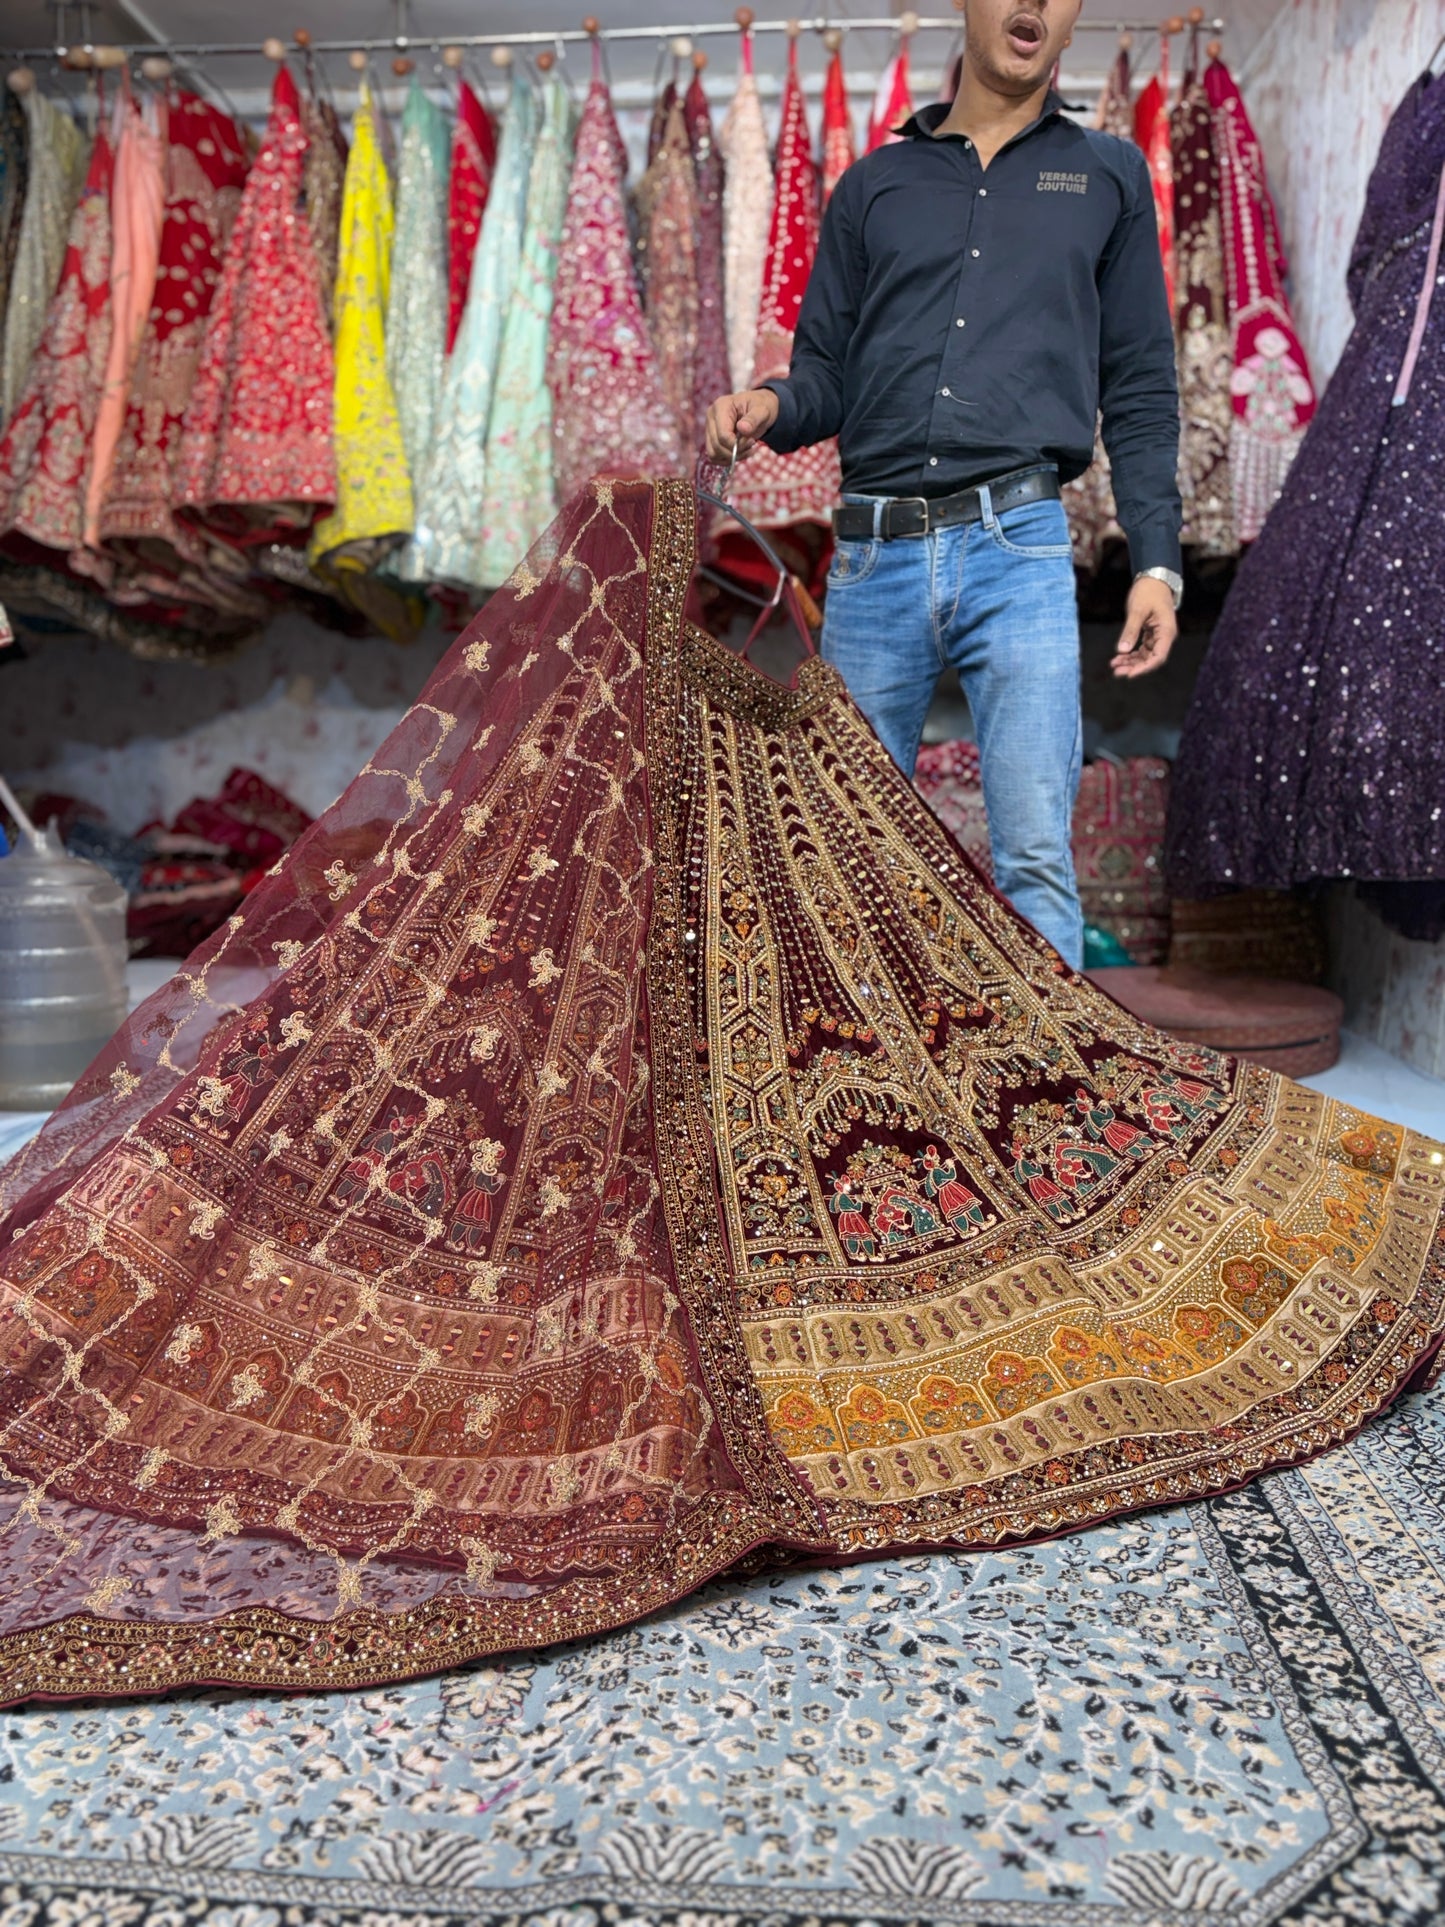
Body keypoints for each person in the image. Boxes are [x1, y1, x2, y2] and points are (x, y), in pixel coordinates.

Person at [706, 0, 1184, 971]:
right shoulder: (870, 187)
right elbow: (825, 376)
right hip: (872, 557)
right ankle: (855, 1100)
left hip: (1019, 552)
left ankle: (1047, 1105)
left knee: (1036, 861)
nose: (1030, 6)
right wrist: (768, 402)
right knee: (842, 855)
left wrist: (1158, 563)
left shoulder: (1106, 177)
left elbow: (1138, 387)